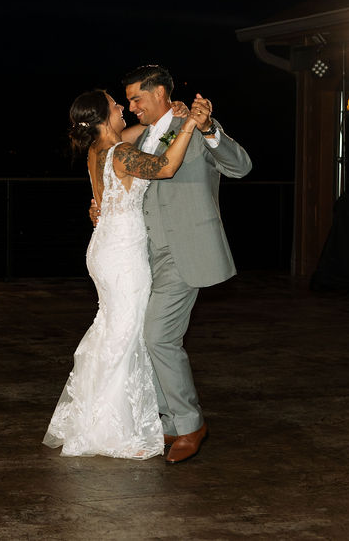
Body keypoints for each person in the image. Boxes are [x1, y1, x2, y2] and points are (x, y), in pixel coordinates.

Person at [44, 89, 202, 459]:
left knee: (112, 331)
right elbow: (166, 166)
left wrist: (172, 117)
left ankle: (96, 417)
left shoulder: (98, 148)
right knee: (126, 336)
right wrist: (191, 126)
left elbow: (150, 131)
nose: (121, 107)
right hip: (123, 257)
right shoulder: (120, 153)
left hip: (104, 247)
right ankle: (111, 427)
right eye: (115, 104)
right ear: (103, 116)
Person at [112, 64, 252, 464]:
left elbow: (240, 167)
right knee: (144, 336)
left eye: (136, 98)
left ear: (160, 93)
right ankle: (170, 421)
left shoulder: (194, 126)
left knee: (159, 336)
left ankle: (191, 424)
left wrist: (208, 129)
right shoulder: (145, 136)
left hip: (184, 249)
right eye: (128, 100)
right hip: (144, 253)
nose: (131, 106)